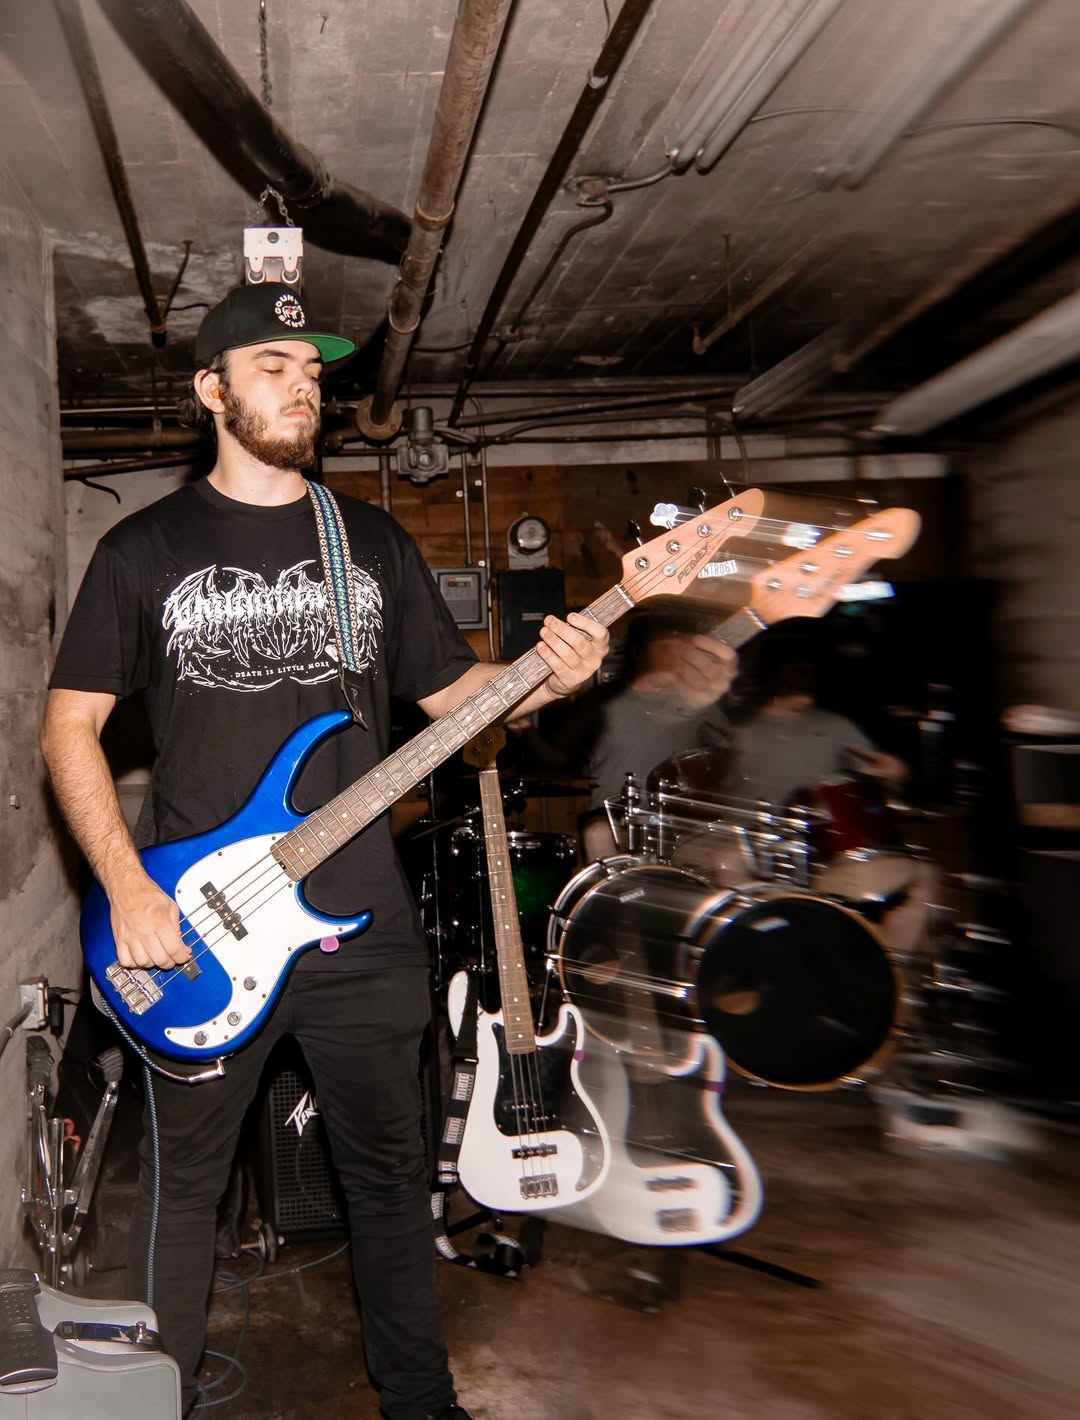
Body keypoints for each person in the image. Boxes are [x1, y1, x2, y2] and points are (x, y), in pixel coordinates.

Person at [39, 282, 608, 1420]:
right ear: (212, 391)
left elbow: (459, 703)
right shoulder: (143, 547)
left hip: (364, 926)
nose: (305, 386)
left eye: (312, 371)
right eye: (274, 367)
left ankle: (421, 1402)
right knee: (184, 1193)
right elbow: (68, 728)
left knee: (389, 1182)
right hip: (197, 926)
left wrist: (550, 680)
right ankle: (157, 1401)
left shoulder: (373, 544)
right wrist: (127, 887)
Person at [577, 611, 738, 860]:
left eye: (680, 649)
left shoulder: (698, 702)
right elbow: (560, 757)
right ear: (638, 653)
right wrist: (529, 733)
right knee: (597, 834)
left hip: (677, 817)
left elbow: (729, 751)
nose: (674, 657)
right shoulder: (601, 701)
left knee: (728, 854)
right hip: (613, 814)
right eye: (665, 648)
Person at [728, 655, 906, 807]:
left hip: (807, 832)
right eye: (801, 671)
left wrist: (893, 773)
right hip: (736, 831)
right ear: (773, 674)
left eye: (813, 673)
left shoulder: (835, 726)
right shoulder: (736, 723)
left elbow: (880, 774)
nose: (809, 679)